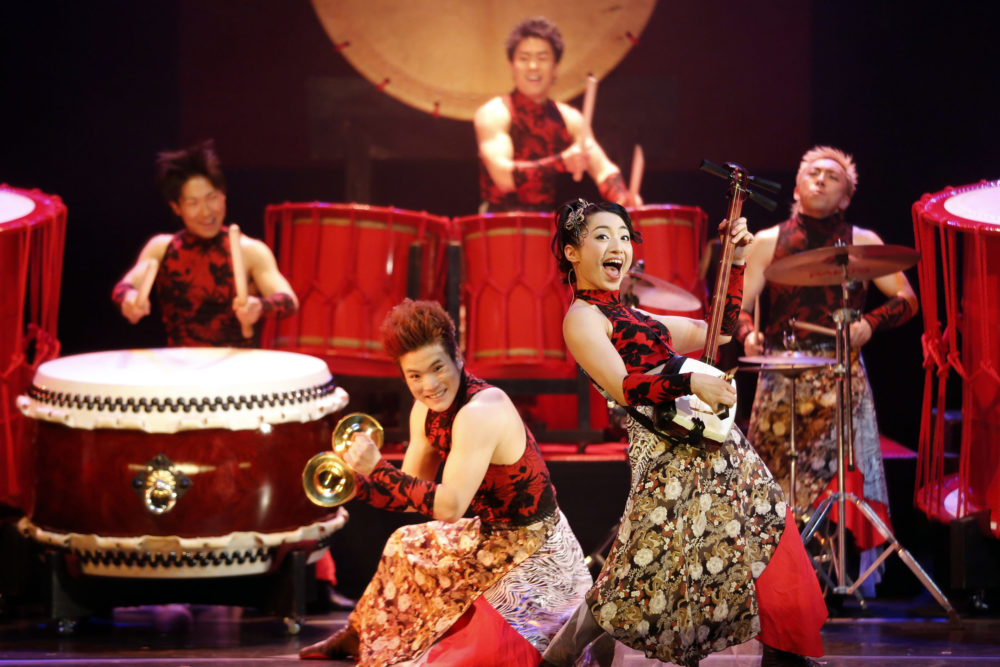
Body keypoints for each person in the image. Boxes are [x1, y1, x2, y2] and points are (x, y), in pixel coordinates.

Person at [544, 200, 826, 667]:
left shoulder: (637, 317)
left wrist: (735, 262)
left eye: (624, 236)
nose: (619, 245)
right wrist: (692, 381)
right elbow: (626, 387)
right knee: (637, 568)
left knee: (769, 524)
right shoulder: (583, 317)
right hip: (667, 455)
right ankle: (558, 659)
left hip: (711, 444)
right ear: (572, 253)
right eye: (602, 236)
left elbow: (719, 333)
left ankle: (786, 653)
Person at [298, 299, 592, 665]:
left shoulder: (482, 410)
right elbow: (410, 493)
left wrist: (378, 467)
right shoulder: (424, 410)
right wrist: (354, 482)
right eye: (415, 376)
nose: (430, 385)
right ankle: (357, 634)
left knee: (473, 656)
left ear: (458, 358)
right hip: (490, 538)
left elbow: (450, 507)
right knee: (404, 543)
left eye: (437, 368)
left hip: (538, 550)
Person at [737, 146, 918, 573]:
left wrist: (870, 323)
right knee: (773, 482)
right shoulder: (768, 241)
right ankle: (776, 575)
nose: (820, 179)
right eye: (813, 173)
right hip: (783, 375)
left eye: (832, 176)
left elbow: (908, 299)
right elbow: (738, 308)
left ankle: (837, 573)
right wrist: (748, 334)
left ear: (846, 197)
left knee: (841, 479)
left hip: (840, 375)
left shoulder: (863, 242)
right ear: (796, 187)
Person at [112, 140, 298, 347]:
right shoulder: (161, 248)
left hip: (236, 363)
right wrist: (130, 298)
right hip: (179, 362)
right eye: (193, 203)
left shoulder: (249, 250)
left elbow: (289, 300)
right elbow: (125, 286)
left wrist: (260, 306)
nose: (206, 212)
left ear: (223, 196)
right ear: (176, 207)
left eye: (212, 198)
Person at [474, 17, 641, 213]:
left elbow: (603, 169)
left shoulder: (569, 119)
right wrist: (562, 162)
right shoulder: (493, 113)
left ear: (556, 67)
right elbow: (503, 178)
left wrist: (622, 198)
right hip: (498, 221)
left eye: (542, 58)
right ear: (512, 65)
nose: (533, 66)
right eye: (524, 58)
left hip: (545, 221)